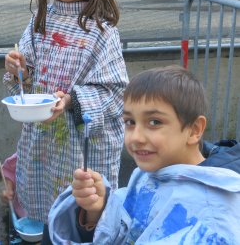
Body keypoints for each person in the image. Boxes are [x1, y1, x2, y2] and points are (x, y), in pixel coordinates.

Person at [2, 0, 129, 243]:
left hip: (85, 142)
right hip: (44, 138)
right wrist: (19, 69)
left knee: (85, 208)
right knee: (44, 203)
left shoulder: (102, 28)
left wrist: (72, 100)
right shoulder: (38, 22)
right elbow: (25, 80)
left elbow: (116, 93)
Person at [48, 65, 240, 244]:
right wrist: (98, 210)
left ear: (194, 130)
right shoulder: (149, 173)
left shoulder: (215, 218)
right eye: (130, 122)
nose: (136, 137)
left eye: (154, 122)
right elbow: (127, 230)